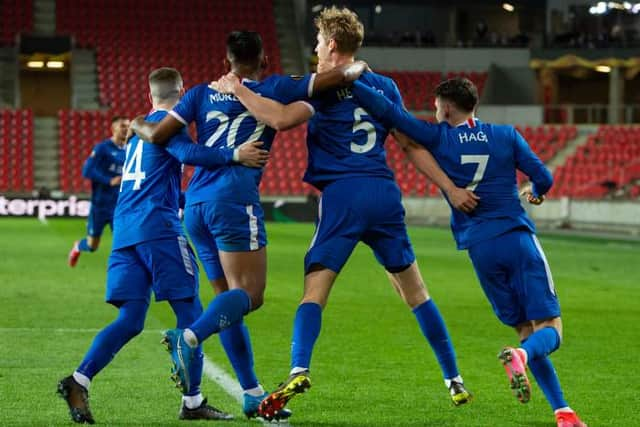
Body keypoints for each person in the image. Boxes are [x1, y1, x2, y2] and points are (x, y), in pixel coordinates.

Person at [211, 7, 476, 420]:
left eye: (318, 42)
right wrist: (450, 189)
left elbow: (273, 113)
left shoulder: (312, 87)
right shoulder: (385, 86)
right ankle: (454, 378)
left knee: (314, 291)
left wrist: (236, 87)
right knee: (416, 292)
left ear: (332, 44)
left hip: (343, 195)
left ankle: (299, 368)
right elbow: (411, 145)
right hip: (385, 194)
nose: (316, 49)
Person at [130, 31, 362, 420]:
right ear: (264, 59)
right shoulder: (273, 86)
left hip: (197, 207)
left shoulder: (200, 93)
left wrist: (136, 122)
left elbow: (158, 135)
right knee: (250, 296)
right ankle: (189, 338)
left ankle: (252, 393)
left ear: (227, 61)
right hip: (235, 200)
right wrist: (360, 65)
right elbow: (342, 75)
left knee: (228, 302)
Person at [348, 76, 588, 427]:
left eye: (435, 107)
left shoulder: (438, 136)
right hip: (516, 237)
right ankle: (521, 357)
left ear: (445, 108)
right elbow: (544, 177)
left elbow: (389, 112)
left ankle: (563, 412)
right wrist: (536, 191)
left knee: (524, 327)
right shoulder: (506, 135)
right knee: (549, 328)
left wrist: (352, 81)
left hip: (480, 247)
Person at [56, 67, 269, 424]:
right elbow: (187, 153)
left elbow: (156, 179)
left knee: (131, 319)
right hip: (159, 230)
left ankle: (79, 380)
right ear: (182, 93)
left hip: (125, 233)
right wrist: (235, 155)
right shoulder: (167, 127)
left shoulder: (138, 135)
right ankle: (192, 403)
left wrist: (185, 197)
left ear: (149, 94)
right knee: (190, 316)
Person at [67, 116, 128, 267]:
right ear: (113, 129)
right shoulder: (102, 148)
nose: (127, 129)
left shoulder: (131, 149)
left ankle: (121, 270)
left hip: (120, 205)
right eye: (123, 126)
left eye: (128, 126)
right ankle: (78, 246)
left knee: (122, 240)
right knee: (92, 245)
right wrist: (109, 180)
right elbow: (87, 171)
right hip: (100, 205)